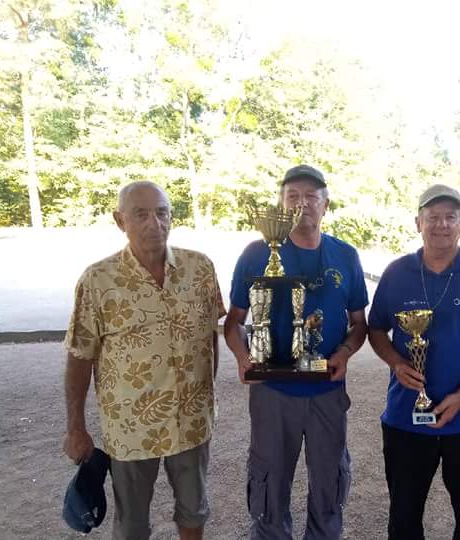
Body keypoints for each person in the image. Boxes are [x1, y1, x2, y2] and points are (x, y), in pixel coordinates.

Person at [62, 181, 225, 540]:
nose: (154, 223)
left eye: (162, 212)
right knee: (132, 525)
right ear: (120, 221)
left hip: (192, 422)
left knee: (194, 511)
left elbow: (211, 336)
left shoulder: (200, 269)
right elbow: (79, 357)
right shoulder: (98, 280)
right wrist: (76, 426)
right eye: (141, 214)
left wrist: (207, 397)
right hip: (131, 427)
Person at [224, 164, 368, 540]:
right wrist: (243, 357)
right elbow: (234, 321)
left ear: (326, 204)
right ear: (281, 204)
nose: (303, 203)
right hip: (273, 392)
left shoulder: (346, 256)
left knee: (329, 483)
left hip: (327, 389)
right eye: (293, 196)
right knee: (270, 482)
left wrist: (345, 353)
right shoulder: (257, 253)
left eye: (311, 196)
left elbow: (359, 323)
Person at [368, 184, 460, 540]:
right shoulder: (397, 272)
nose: (441, 224)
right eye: (433, 217)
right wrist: (396, 363)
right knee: (403, 518)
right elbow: (375, 329)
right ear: (418, 222)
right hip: (406, 419)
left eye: (450, 217)